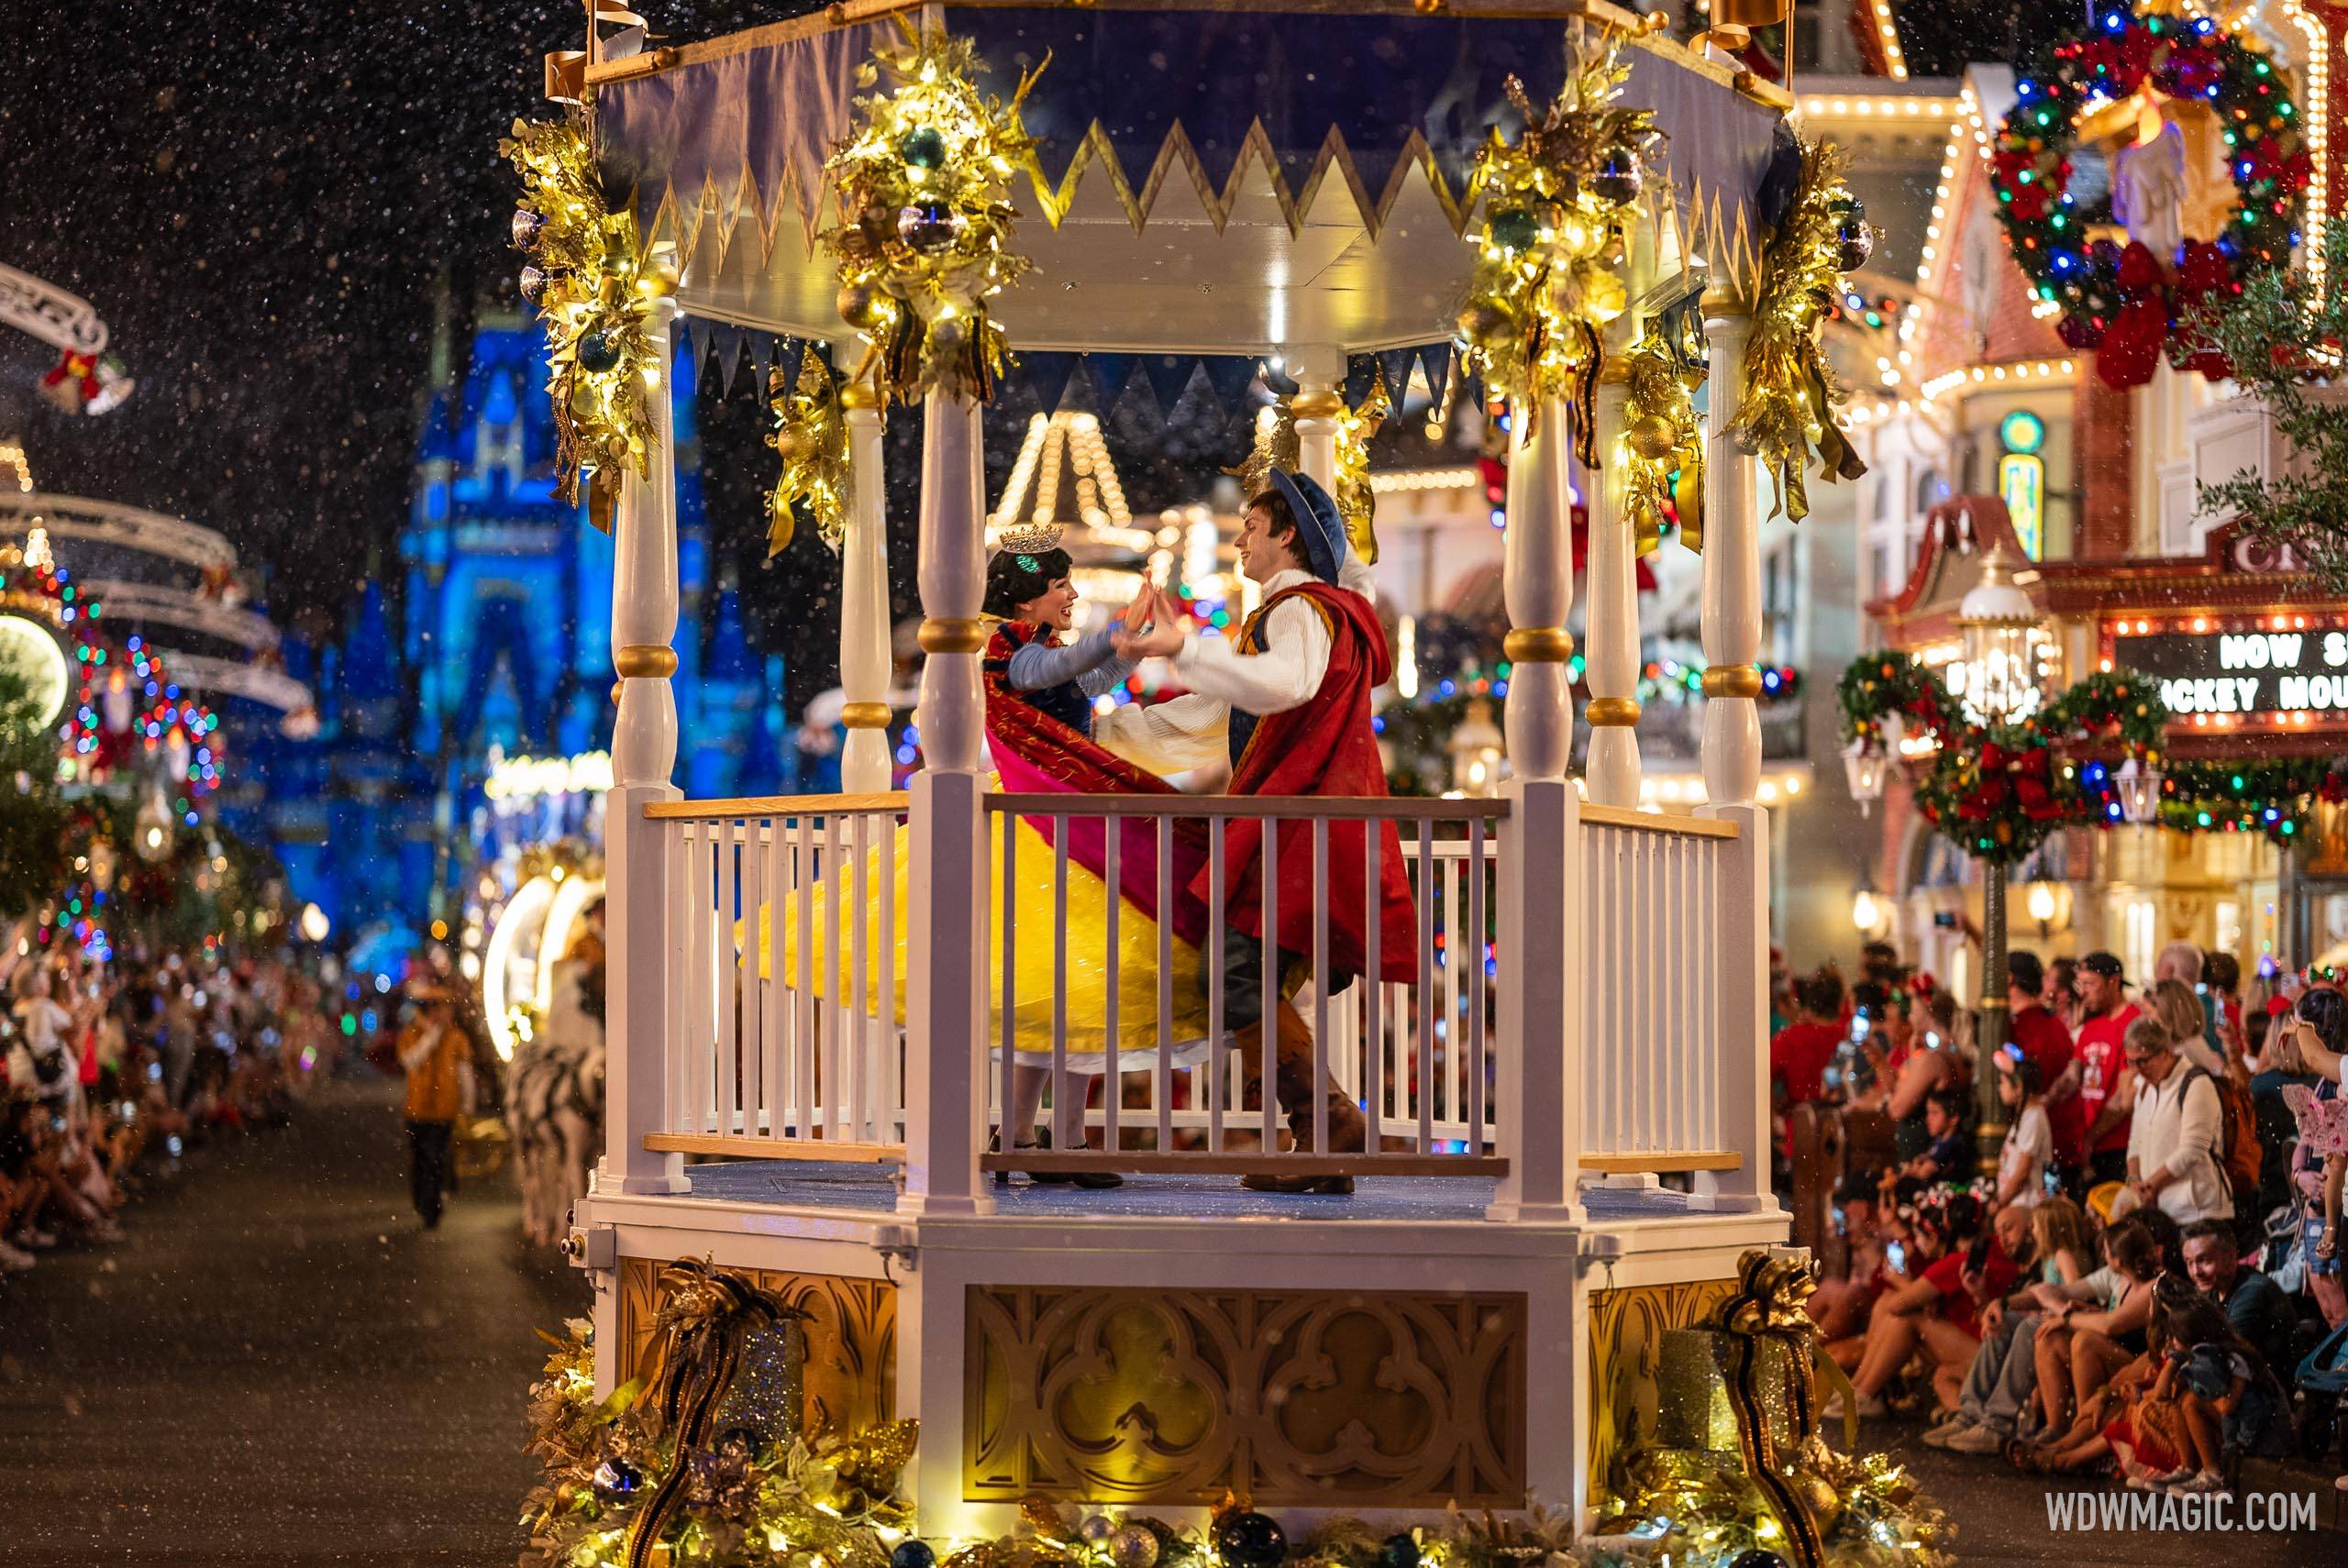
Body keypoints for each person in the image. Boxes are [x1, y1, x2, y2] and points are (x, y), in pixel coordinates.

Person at [1107, 470, 1417, 1194]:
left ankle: (1326, 1123)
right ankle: (1319, 1142)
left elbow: (1283, 685)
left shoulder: (1301, 609)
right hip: (1305, 820)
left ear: (1286, 536)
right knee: (1250, 978)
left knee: (1236, 976)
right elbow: (1222, 715)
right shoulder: (1304, 613)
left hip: (1295, 824)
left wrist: (1182, 645)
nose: (1241, 538)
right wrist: (1107, 733)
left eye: (1252, 526)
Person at [1834, 1188, 2018, 1419]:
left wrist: (1899, 1281)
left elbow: (1899, 1305)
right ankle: (1859, 1389)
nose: (1916, 1240)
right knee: (1888, 1304)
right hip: (1993, 1345)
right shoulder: (1988, 1249)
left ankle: (1865, 1393)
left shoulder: (1955, 1262)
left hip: (1986, 1349)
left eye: (1918, 1234)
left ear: (1936, 1234)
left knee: (1904, 1318)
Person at [2111, 1015, 2232, 1226]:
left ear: (2165, 1052)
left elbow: (2193, 1149)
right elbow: (2135, 1142)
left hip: (2197, 1212)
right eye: (2131, 1061)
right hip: (2160, 1212)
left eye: (2143, 1060)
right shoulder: (2143, 1086)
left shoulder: (2196, 1083)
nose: (2136, 1069)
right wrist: (2134, 1181)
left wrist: (2150, 1185)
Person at [2180, 1217, 2297, 1386]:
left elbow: (2223, 1355)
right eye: (2189, 1263)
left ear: (2231, 1256)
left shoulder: (2253, 1291)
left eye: (2204, 1260)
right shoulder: (2212, 1290)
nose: (2195, 1272)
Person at [397, 985, 471, 1230]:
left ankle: (433, 1206)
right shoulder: (412, 1034)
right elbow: (410, 1061)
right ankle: (421, 1200)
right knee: (419, 1158)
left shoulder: (456, 1037)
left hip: (443, 1111)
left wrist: (468, 1104)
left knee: (436, 1159)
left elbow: (464, 1073)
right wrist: (429, 1038)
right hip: (417, 1110)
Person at [2007, 952, 2082, 1174]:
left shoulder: (2020, 1028)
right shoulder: (2055, 1025)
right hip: (2064, 1142)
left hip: (2035, 1147)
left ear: (2009, 978)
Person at [2072, 952, 2141, 1187]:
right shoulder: (2091, 1027)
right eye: (2080, 984)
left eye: (2090, 984)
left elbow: (2124, 1098)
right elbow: (2073, 1076)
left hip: (2118, 1144)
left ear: (2113, 981)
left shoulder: (2134, 1022)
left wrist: (2091, 1138)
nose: (2083, 992)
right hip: (2088, 1145)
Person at [1770, 969, 1844, 1152]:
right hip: (1843, 1136)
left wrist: (1773, 1118)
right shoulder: (1849, 1037)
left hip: (1799, 1135)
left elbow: (1760, 1081)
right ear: (1840, 1003)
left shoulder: (1789, 1038)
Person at [1994, 1044, 2054, 1210]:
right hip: (2017, 1203)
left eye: (2003, 1083)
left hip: (2026, 1205)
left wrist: (1999, 1202)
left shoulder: (2034, 1117)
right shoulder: (2026, 1115)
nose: (2000, 1088)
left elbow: (2022, 1172)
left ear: (2019, 1087)